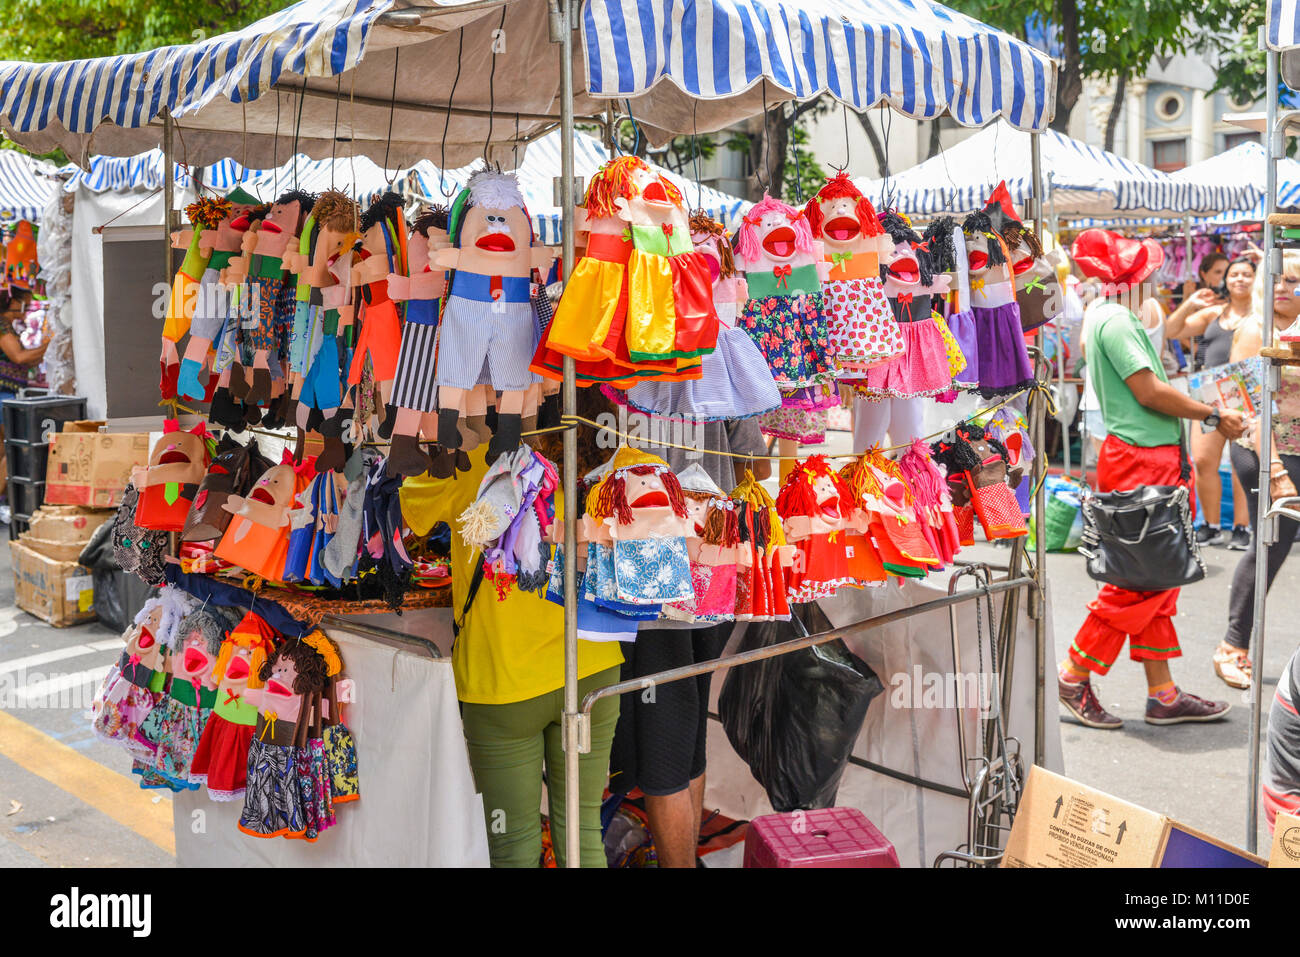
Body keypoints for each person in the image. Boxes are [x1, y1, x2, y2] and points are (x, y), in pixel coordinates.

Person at [400, 387, 624, 867]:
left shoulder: (478, 462)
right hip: (592, 671)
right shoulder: (606, 472)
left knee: (513, 844)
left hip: (502, 682)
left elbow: (407, 506)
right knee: (582, 833)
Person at [1058, 229, 1244, 730]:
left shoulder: (1109, 314)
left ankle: (1162, 694)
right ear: (1136, 276)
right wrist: (1211, 414)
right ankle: (1074, 674)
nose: (1158, 276)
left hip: (1143, 456)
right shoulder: (1116, 319)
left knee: (1156, 576)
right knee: (1138, 582)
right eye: (1151, 270)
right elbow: (1148, 391)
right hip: (1141, 458)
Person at [608, 414, 770, 867]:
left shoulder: (606, 352)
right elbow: (756, 465)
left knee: (667, 753)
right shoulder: (723, 347)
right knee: (689, 737)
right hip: (709, 576)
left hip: (652, 590)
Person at [1216, 252, 1300, 690]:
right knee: (1269, 543)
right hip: (1262, 449)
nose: (1284, 288)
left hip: (1294, 449)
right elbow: (1245, 406)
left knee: (1277, 544)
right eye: (1279, 280)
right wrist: (1277, 471)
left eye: (1295, 281)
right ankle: (1232, 646)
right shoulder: (1255, 330)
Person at [1168, 256, 1258, 549]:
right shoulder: (1213, 314)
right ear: (1225, 281)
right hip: (1208, 392)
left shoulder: (1262, 315)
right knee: (1204, 461)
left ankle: (1243, 527)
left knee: (1242, 463)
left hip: (1246, 393)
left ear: (1256, 279)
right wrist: (1190, 303)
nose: (1240, 279)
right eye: (1234, 274)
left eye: (1246, 274)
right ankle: (1211, 524)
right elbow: (1171, 331)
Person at [0, 289, 47, 400]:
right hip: (4, 393)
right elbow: (19, 357)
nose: (27, 308)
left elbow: (25, 362)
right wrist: (48, 346)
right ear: (13, 302)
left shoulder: (7, 326)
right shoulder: (2, 325)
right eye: (25, 304)